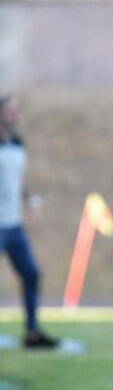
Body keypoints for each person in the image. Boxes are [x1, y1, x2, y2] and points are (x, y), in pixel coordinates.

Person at [0, 96, 58, 349]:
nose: (13, 116)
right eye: (8, 111)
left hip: (13, 225)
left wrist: (30, 201)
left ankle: (32, 332)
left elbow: (18, 179)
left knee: (31, 273)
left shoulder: (17, 144)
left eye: (15, 111)